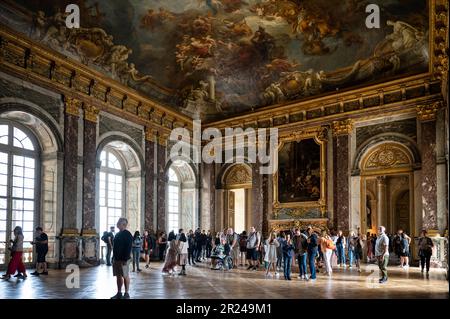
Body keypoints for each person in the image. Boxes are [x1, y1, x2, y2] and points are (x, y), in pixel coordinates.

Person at [111, 218, 133, 299]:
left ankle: (126, 294)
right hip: (116, 259)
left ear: (123, 224)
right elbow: (115, 247)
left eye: (118, 223)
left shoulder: (128, 234)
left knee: (125, 275)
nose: (117, 224)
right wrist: (113, 257)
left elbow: (128, 248)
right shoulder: (117, 234)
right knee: (118, 276)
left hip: (124, 259)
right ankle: (119, 293)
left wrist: (125, 259)